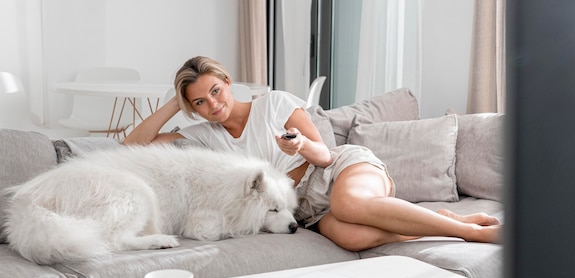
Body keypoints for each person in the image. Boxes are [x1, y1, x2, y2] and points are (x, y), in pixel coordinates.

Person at [123, 56, 500, 251]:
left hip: (337, 171)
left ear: (227, 82)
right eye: (199, 102)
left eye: (215, 92)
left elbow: (324, 154)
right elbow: (130, 148)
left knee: (351, 206)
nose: (212, 105)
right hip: (303, 209)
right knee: (351, 238)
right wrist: (175, 103)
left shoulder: (273, 103)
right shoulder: (203, 137)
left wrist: (299, 146)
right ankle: (434, 219)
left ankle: (467, 232)